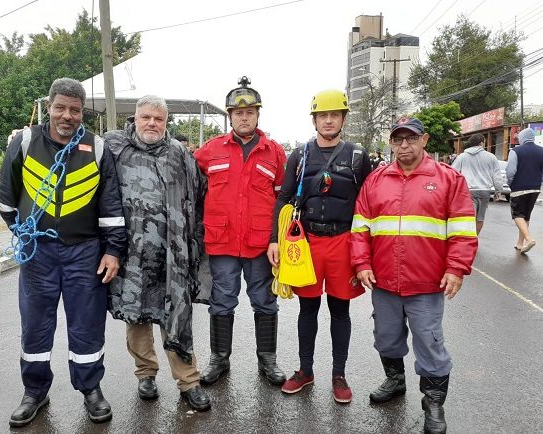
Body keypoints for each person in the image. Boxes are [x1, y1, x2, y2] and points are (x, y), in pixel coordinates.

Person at [0, 78, 127, 427]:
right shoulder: (24, 143)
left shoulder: (97, 149)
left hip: (85, 252)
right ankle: (34, 392)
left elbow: (111, 206)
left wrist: (112, 251)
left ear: (81, 111)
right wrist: (24, 236)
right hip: (37, 252)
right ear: (48, 107)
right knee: (36, 327)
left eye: (74, 109)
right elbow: (7, 201)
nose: (67, 115)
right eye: (60, 107)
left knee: (87, 325)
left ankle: (91, 389)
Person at [351, 116, 478, 434]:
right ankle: (395, 381)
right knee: (386, 338)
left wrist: (456, 269)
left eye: (411, 138)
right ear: (391, 143)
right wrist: (362, 264)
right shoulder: (376, 180)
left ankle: (433, 404)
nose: (403, 145)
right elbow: (360, 228)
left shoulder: (449, 179)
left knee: (429, 343)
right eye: (397, 139)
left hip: (427, 282)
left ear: (424, 141)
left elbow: (463, 230)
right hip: (384, 280)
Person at [104, 95, 211, 411]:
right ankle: (145, 374)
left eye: (159, 119)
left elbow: (200, 193)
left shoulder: (179, 154)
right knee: (136, 316)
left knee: (176, 315)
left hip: (172, 255)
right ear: (135, 118)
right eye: (146, 117)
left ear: (166, 123)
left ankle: (188, 381)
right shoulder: (114, 149)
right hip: (132, 255)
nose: (152, 123)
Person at [268, 89, 371, 403]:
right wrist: (274, 239)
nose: (328, 120)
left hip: (343, 242)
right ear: (314, 120)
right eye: (323, 115)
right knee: (307, 309)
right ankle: (305, 370)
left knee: (340, 311)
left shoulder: (357, 155)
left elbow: (368, 202)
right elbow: (283, 197)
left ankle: (338, 375)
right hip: (308, 243)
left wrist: (367, 251)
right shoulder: (299, 155)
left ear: (342, 119)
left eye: (335, 115)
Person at [194, 76, 287, 386]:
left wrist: (276, 239)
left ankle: (268, 361)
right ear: (229, 115)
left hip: (261, 244)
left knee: (264, 301)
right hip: (221, 243)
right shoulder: (210, 150)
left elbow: (284, 201)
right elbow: (190, 187)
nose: (243, 117)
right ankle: (219, 360)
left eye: (249, 112)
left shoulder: (274, 152)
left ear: (258, 114)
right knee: (221, 302)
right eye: (237, 112)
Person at [451, 133, 503, 234]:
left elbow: (453, 172)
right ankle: (474, 239)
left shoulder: (462, 157)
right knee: (480, 218)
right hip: (485, 192)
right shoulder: (491, 157)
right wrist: (498, 190)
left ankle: (468, 240)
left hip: (468, 191)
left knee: (469, 217)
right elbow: (497, 176)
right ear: (481, 143)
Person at [506, 127, 543, 253]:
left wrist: (510, 184)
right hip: (535, 188)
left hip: (519, 187)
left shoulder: (516, 151)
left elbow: (510, 171)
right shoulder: (541, 151)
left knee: (517, 215)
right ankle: (520, 243)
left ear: (522, 138)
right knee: (526, 216)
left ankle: (529, 239)